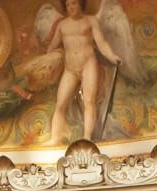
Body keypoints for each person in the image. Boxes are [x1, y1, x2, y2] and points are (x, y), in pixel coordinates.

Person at [43, 0, 123, 145]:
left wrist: (112, 56)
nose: (70, 7)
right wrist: (45, 62)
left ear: (81, 4)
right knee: (60, 104)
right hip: (70, 69)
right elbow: (52, 46)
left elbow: (101, 42)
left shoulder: (90, 21)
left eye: (73, 3)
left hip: (88, 65)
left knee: (89, 101)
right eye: (67, 5)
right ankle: (55, 138)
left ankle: (87, 138)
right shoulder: (62, 25)